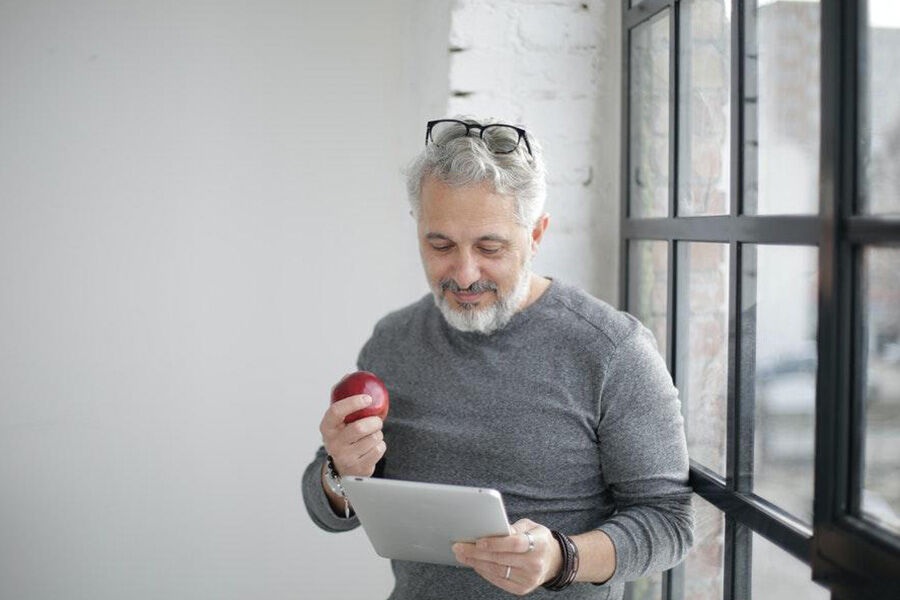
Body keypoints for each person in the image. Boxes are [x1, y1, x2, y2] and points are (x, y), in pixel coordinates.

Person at [302, 116, 693, 599]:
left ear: (537, 235)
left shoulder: (612, 350)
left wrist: (561, 558)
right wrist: (342, 471)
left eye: (490, 247)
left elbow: (669, 523)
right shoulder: (392, 341)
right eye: (440, 244)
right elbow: (330, 513)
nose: (464, 274)